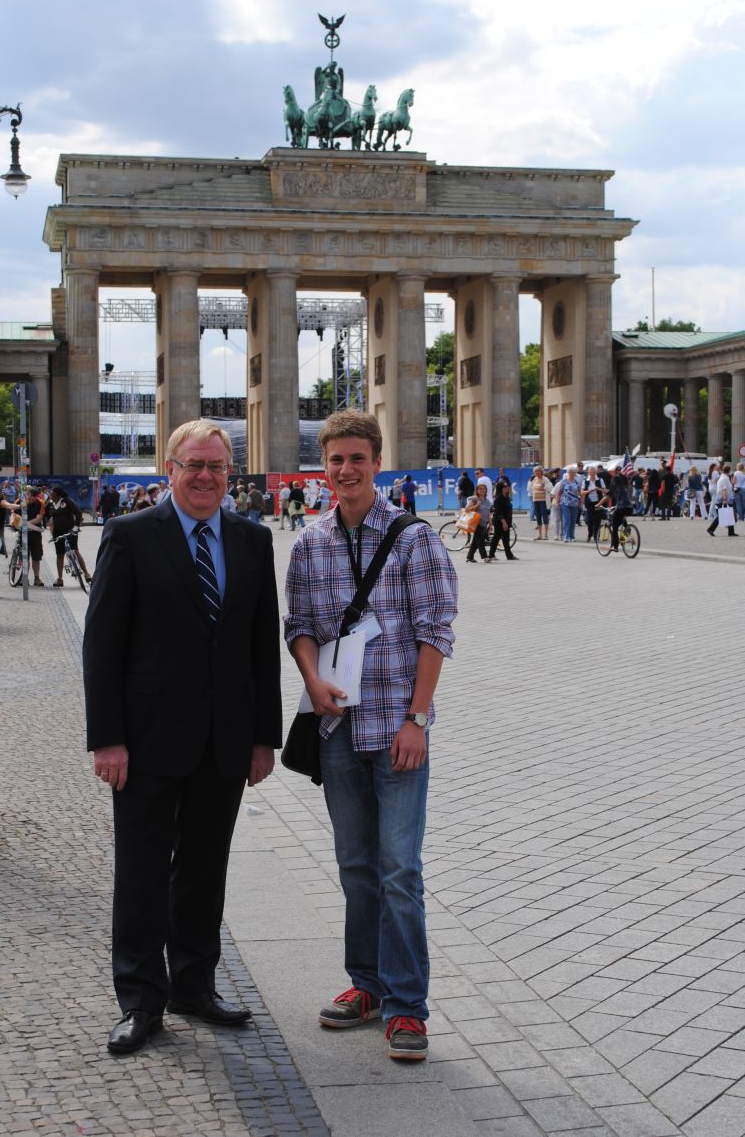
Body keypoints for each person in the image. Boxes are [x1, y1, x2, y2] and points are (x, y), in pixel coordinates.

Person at [84, 419, 282, 1057]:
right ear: (169, 469)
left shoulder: (253, 540)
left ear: (231, 474)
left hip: (223, 742)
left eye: (216, 467)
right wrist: (107, 738)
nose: (205, 477)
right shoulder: (130, 535)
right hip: (144, 742)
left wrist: (262, 738)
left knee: (203, 868)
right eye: (193, 465)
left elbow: (259, 647)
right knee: (142, 872)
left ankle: (193, 984)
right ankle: (141, 1001)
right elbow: (103, 646)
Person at [285, 409, 457, 1061]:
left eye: (358, 458)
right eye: (336, 459)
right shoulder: (309, 543)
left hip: (397, 729)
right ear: (322, 466)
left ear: (377, 462)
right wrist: (310, 675)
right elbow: (298, 624)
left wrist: (418, 718)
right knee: (356, 866)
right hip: (337, 727)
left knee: (399, 869)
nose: (346, 469)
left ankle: (408, 1004)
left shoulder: (416, 539)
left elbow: (435, 632)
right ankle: (367, 984)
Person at [47, 485, 92, 587]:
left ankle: (86, 573)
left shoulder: (66, 501)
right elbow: (48, 516)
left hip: (70, 530)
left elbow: (78, 513)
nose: (50, 495)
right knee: (60, 554)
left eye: (52, 494)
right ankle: (59, 579)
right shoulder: (51, 504)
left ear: (58, 495)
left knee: (75, 550)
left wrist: (76, 527)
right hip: (57, 532)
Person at [487, 482, 518, 561]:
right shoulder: (499, 498)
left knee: (506, 539)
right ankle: (491, 555)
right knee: (496, 538)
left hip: (506, 521)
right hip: (499, 521)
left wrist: (508, 522)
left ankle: (509, 555)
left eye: (507, 486)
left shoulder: (506, 497)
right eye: (505, 486)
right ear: (500, 488)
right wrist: (503, 522)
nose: (507, 487)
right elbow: (498, 512)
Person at [23, 485, 47, 585]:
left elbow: (39, 518)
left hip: (35, 533)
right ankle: (24, 578)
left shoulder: (40, 503)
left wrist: (25, 523)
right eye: (29, 494)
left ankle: (37, 578)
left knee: (36, 557)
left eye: (33, 495)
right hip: (23, 533)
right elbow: (14, 514)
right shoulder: (20, 502)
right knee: (24, 556)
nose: (30, 497)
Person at [707, 464, 738, 537]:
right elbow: (724, 489)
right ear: (729, 471)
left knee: (729, 515)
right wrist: (724, 499)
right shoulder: (724, 479)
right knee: (721, 515)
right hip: (723, 499)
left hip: (724, 499)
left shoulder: (724, 477)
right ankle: (710, 529)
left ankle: (731, 532)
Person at [465, 486, 492, 563]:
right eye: (480, 489)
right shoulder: (474, 499)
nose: (482, 490)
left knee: (475, 541)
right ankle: (485, 557)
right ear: (477, 490)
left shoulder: (487, 501)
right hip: (476, 522)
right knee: (480, 540)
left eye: (483, 489)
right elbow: (467, 509)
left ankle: (470, 557)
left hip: (483, 523)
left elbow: (488, 511)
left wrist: (490, 521)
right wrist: (476, 505)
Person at [527, 466, 553, 541]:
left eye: (537, 471)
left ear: (541, 472)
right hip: (535, 500)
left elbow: (550, 488)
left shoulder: (545, 479)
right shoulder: (535, 479)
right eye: (535, 472)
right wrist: (533, 494)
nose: (536, 473)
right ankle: (540, 535)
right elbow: (531, 488)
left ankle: (546, 535)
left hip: (543, 501)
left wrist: (544, 486)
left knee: (544, 517)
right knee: (538, 517)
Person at [580, 466, 604, 542]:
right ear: (588, 473)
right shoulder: (586, 481)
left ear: (595, 473)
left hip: (598, 501)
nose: (592, 474)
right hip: (589, 502)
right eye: (590, 473)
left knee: (597, 519)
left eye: (593, 472)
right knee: (590, 520)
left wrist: (598, 489)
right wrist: (588, 491)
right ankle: (590, 535)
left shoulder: (600, 480)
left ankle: (596, 535)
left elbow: (605, 491)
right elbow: (581, 492)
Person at [558, 468, 581, 542]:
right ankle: (566, 536)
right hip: (565, 503)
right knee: (567, 520)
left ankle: (572, 536)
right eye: (570, 472)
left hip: (575, 503)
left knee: (573, 520)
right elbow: (559, 492)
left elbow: (580, 492)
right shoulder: (563, 482)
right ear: (568, 473)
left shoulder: (577, 482)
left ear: (575, 474)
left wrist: (581, 502)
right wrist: (558, 501)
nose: (571, 474)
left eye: (573, 472)